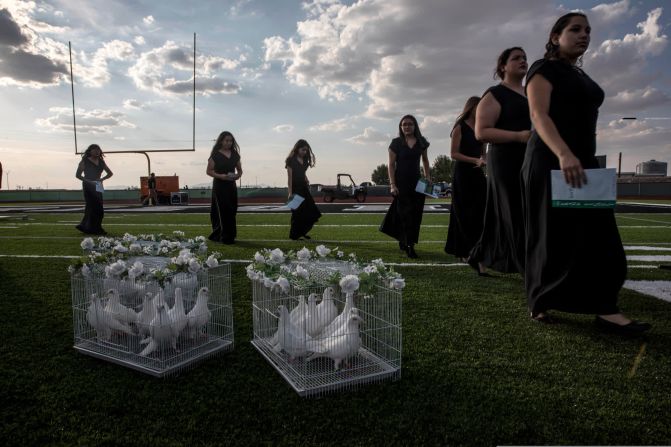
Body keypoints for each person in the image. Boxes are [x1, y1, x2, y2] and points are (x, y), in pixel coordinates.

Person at [522, 12, 650, 334]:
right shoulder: (543, 68)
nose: (584, 35)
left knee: (601, 236)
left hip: (584, 163)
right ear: (555, 37)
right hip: (552, 160)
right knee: (550, 236)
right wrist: (564, 153)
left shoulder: (581, 76)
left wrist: (579, 155)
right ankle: (540, 300)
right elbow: (538, 115)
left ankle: (605, 307)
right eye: (575, 29)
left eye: (588, 31)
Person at [468, 47, 531, 275]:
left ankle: (479, 255)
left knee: (500, 214)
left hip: (529, 158)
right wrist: (518, 136)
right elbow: (481, 132)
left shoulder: (531, 92)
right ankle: (528, 266)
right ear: (503, 66)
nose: (523, 61)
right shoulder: (495, 94)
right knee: (515, 211)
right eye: (516, 58)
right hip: (505, 160)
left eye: (524, 58)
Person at [380, 115, 431, 259]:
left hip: (417, 184)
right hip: (401, 184)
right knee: (405, 214)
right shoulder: (396, 143)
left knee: (415, 215)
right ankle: (409, 246)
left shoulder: (422, 142)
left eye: (410, 124)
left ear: (415, 126)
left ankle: (406, 240)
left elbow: (425, 161)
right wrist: (392, 184)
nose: (407, 126)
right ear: (401, 127)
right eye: (404, 124)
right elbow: (391, 165)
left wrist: (428, 178)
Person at [444, 97, 487, 264]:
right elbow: (453, 154)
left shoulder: (480, 127)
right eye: (480, 106)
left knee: (479, 211)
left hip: (478, 174)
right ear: (471, 108)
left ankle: (477, 250)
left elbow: (483, 151)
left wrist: (483, 159)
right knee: (462, 212)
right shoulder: (459, 127)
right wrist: (475, 160)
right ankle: (463, 251)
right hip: (463, 174)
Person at [206, 131, 242, 244]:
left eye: (231, 141)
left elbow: (240, 171)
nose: (229, 143)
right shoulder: (215, 155)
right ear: (221, 141)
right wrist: (220, 176)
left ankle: (228, 234)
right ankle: (226, 237)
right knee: (222, 210)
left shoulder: (235, 154)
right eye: (226, 140)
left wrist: (236, 176)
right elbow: (208, 171)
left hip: (231, 185)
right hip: (219, 185)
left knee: (232, 209)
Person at [286, 139, 321, 240]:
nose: (304, 152)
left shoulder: (305, 160)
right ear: (297, 149)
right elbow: (290, 178)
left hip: (304, 188)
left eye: (306, 150)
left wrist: (306, 178)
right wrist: (290, 193)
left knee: (311, 210)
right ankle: (294, 235)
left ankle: (302, 232)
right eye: (303, 150)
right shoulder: (290, 160)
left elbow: (302, 171)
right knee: (296, 213)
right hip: (295, 189)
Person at [75, 144, 113, 235]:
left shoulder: (101, 162)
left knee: (100, 209)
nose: (97, 151)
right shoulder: (85, 161)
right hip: (88, 185)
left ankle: (90, 227)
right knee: (91, 207)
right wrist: (88, 181)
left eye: (98, 149)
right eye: (94, 149)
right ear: (90, 151)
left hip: (98, 185)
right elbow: (78, 175)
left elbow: (110, 173)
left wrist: (102, 179)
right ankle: (91, 228)